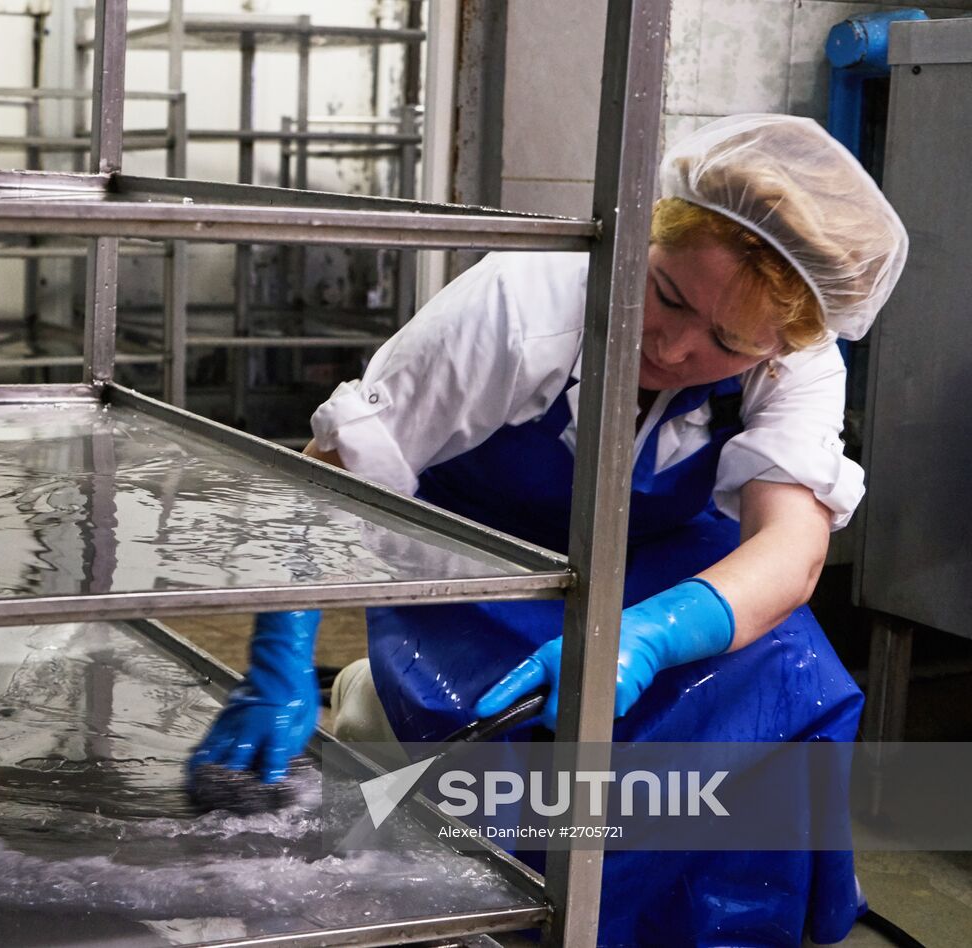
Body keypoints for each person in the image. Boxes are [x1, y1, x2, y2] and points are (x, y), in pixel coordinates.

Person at [189, 114, 908, 945]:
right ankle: (381, 712)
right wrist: (277, 662)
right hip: (486, 564)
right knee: (525, 763)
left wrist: (648, 640)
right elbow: (326, 479)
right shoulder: (518, 304)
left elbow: (791, 549)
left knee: (790, 688)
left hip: (665, 576)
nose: (674, 349)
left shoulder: (797, 362)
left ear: (782, 341)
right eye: (667, 293)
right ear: (646, 232)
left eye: (727, 341)